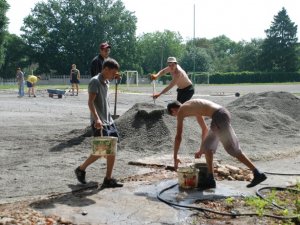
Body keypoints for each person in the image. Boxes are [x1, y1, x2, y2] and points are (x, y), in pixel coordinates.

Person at [167, 99, 267, 188]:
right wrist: (201, 149)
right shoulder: (191, 106)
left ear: (173, 110)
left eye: (173, 115)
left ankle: (257, 173)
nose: (176, 116)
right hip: (219, 116)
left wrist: (175, 157)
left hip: (219, 116)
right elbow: (204, 129)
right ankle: (210, 179)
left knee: (232, 149)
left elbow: (178, 137)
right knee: (207, 147)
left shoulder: (181, 111)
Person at [75, 58, 123, 188]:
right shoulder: (95, 81)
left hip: (109, 120)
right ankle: (81, 169)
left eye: (115, 74)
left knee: (112, 149)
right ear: (105, 69)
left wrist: (114, 77)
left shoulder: (107, 80)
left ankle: (108, 179)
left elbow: (111, 78)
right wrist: (96, 119)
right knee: (101, 150)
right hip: (99, 121)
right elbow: (90, 102)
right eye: (113, 73)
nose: (114, 75)